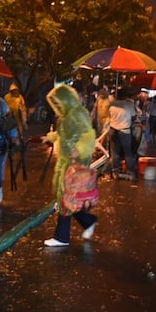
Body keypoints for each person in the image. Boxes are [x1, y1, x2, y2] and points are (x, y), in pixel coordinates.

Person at [42, 84, 98, 247]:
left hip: (75, 164)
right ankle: (87, 221)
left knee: (66, 198)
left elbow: (88, 135)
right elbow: (64, 135)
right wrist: (51, 137)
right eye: (55, 103)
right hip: (65, 163)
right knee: (67, 198)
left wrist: (78, 150)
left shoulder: (77, 113)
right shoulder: (65, 116)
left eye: (59, 102)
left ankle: (62, 237)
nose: (57, 106)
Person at [108, 86, 138, 181]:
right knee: (128, 153)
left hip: (113, 130)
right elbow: (134, 117)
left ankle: (115, 172)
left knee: (115, 153)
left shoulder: (112, 104)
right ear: (125, 96)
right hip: (125, 131)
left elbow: (109, 116)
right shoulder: (129, 105)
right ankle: (131, 172)